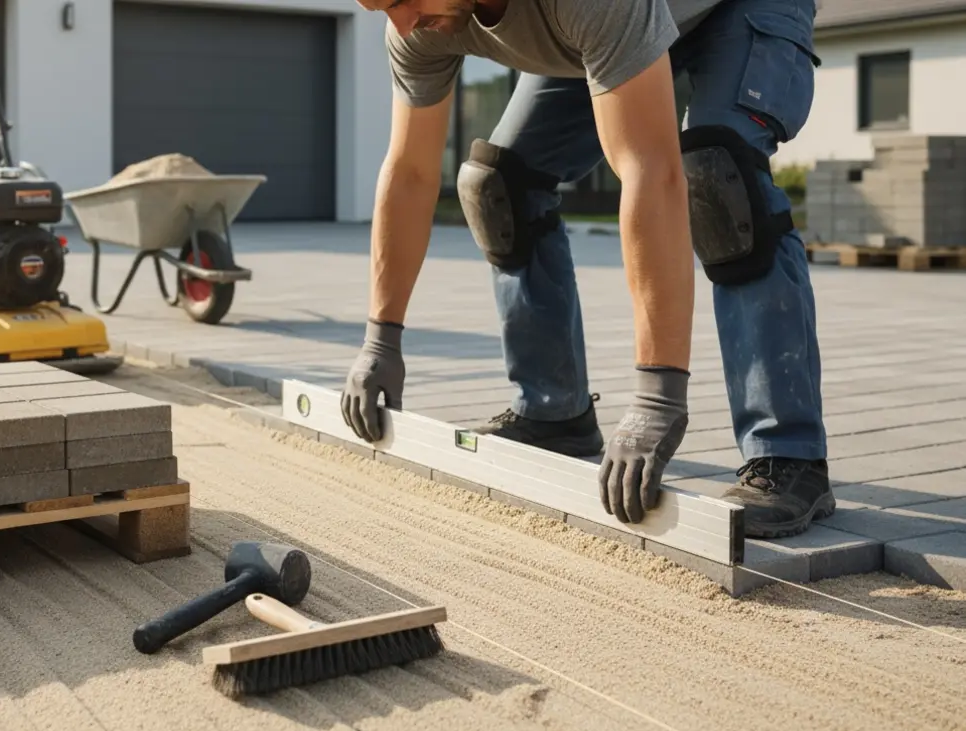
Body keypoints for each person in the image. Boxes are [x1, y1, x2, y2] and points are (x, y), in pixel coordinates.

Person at [339, 0, 834, 538]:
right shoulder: (419, 27)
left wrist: (656, 398)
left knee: (719, 177)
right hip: (622, 22)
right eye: (380, 6)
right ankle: (554, 416)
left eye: (402, 0)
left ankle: (789, 457)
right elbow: (410, 171)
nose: (401, 23)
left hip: (737, 7)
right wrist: (380, 340)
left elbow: (650, 170)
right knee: (498, 184)